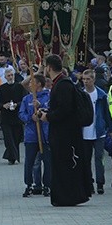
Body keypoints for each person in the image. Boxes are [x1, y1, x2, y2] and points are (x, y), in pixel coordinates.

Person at [43, 54, 91, 207]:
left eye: (45, 66)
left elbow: (65, 110)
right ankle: (61, 196)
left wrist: (48, 117)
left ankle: (68, 196)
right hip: (61, 132)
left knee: (65, 164)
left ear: (49, 67)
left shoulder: (63, 85)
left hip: (66, 134)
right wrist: (46, 112)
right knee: (59, 164)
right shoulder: (59, 83)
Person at [79, 68, 112, 195]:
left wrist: (111, 128)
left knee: (99, 158)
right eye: (84, 79)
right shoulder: (80, 94)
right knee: (86, 159)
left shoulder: (101, 95)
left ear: (93, 80)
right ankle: (88, 183)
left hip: (99, 131)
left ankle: (100, 183)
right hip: (84, 132)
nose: (85, 81)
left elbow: (106, 112)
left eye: (88, 79)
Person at [19, 74, 51, 197]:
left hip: (45, 135)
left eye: (32, 82)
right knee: (30, 161)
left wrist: (41, 107)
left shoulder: (48, 97)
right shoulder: (27, 99)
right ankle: (29, 184)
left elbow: (51, 111)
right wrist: (30, 117)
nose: (30, 84)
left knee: (48, 161)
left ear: (38, 84)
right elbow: (21, 114)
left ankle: (47, 185)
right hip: (31, 135)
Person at [0, 66, 27, 165]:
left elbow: (24, 100)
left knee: (16, 138)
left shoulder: (19, 87)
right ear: (5, 77)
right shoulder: (2, 88)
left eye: (12, 75)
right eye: (8, 75)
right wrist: (3, 105)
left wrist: (17, 104)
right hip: (6, 117)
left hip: (17, 117)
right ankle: (13, 158)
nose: (10, 77)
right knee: (8, 138)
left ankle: (11, 156)